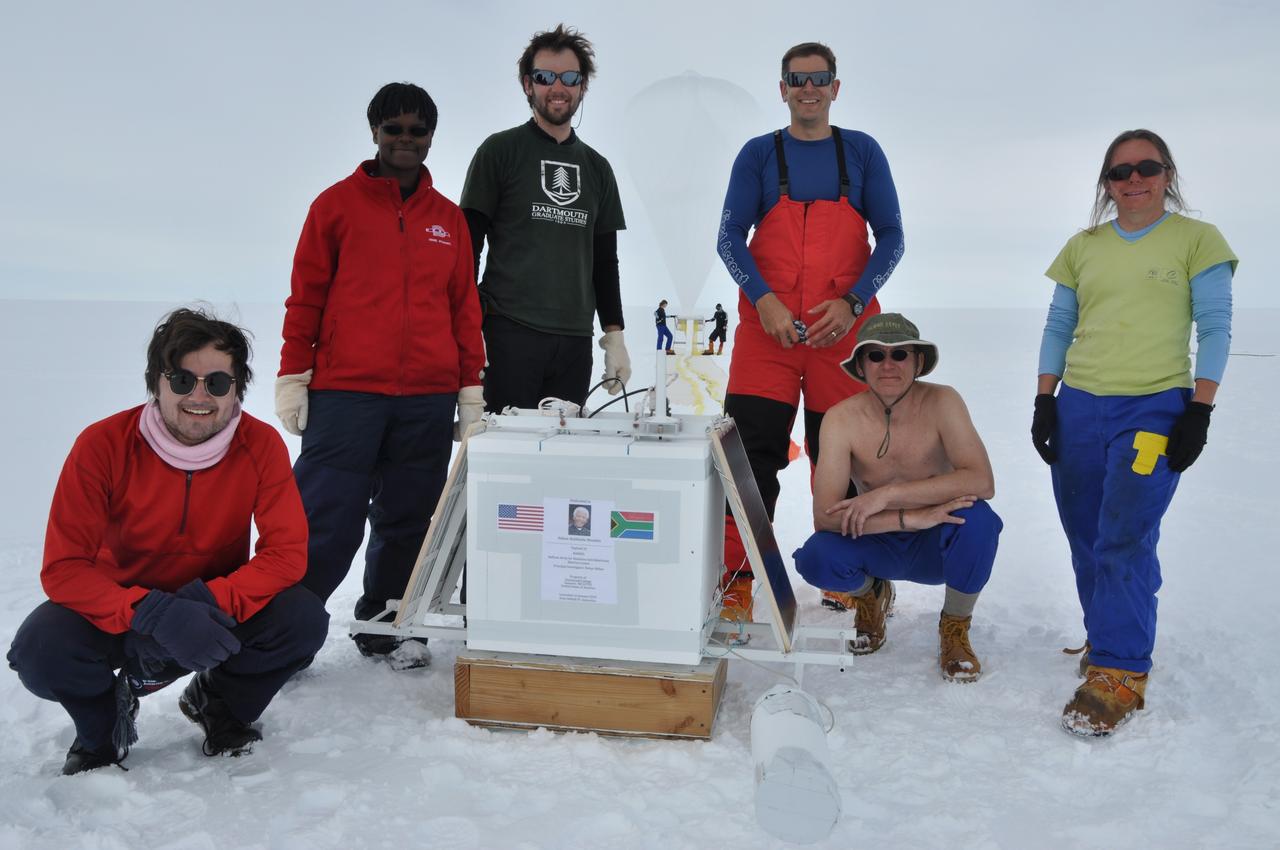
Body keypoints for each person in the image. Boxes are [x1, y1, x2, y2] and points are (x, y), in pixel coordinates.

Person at [7, 308, 328, 775]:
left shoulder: (260, 446)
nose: (199, 396)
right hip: (121, 612)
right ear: (156, 383)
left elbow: (285, 555)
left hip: (212, 614)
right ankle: (103, 726)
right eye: (182, 380)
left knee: (301, 619)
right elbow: (65, 568)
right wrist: (150, 614)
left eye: (217, 382)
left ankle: (218, 702)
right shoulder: (102, 445)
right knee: (40, 649)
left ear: (237, 388)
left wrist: (205, 604)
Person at [1032, 129, 1237, 737]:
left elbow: (1216, 328)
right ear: (1107, 183)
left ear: (1167, 173)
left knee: (1125, 534)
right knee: (1085, 535)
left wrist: (1199, 410)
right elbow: (1059, 325)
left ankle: (1122, 669)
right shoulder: (1083, 246)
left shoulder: (1197, 239)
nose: (1134, 180)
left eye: (1147, 167)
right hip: (1079, 406)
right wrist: (1045, 399)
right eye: (1120, 172)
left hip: (1153, 407)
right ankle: (1105, 639)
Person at [275, 82, 485, 665]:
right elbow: (305, 298)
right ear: (374, 132)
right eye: (394, 129)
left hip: (426, 397)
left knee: (408, 520)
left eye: (417, 131)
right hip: (345, 394)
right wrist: (293, 375)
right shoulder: (334, 206)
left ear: (431, 137)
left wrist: (470, 390)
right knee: (324, 521)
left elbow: (464, 308)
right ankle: (280, 639)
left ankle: (387, 626)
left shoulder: (448, 220)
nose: (405, 140)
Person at [715, 42, 905, 624]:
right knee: (749, 460)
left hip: (843, 342)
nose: (808, 89)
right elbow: (729, 237)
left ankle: (850, 576)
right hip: (766, 339)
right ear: (783, 89)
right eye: (797, 79)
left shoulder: (862, 152)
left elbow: (892, 237)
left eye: (819, 79)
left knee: (844, 460)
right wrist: (764, 301)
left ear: (835, 88)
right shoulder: (759, 154)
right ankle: (736, 579)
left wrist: (852, 304)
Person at [793, 314, 1001, 681]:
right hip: (878, 540)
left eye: (900, 354)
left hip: (936, 544)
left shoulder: (943, 401)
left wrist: (889, 494)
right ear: (861, 365)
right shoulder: (841, 419)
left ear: (918, 362)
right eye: (876, 355)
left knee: (979, 521)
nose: (888, 365)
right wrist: (908, 517)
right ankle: (871, 596)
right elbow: (825, 516)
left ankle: (955, 627)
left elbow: (982, 481)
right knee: (816, 557)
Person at [461, 23, 631, 411]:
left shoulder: (598, 168)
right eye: (545, 77)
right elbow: (467, 248)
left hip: (574, 341)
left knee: (562, 447)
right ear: (527, 85)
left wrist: (614, 336)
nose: (558, 87)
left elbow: (605, 261)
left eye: (570, 78)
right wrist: (468, 329)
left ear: (583, 86)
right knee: (503, 447)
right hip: (508, 332)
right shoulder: (499, 151)